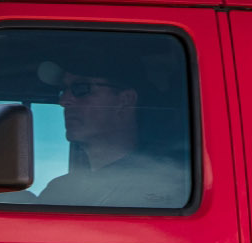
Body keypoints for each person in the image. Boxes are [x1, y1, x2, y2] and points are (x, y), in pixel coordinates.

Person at [30, 59, 189, 209]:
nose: (64, 101)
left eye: (81, 88)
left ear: (125, 100)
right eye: (62, 90)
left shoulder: (170, 188)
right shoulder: (60, 191)